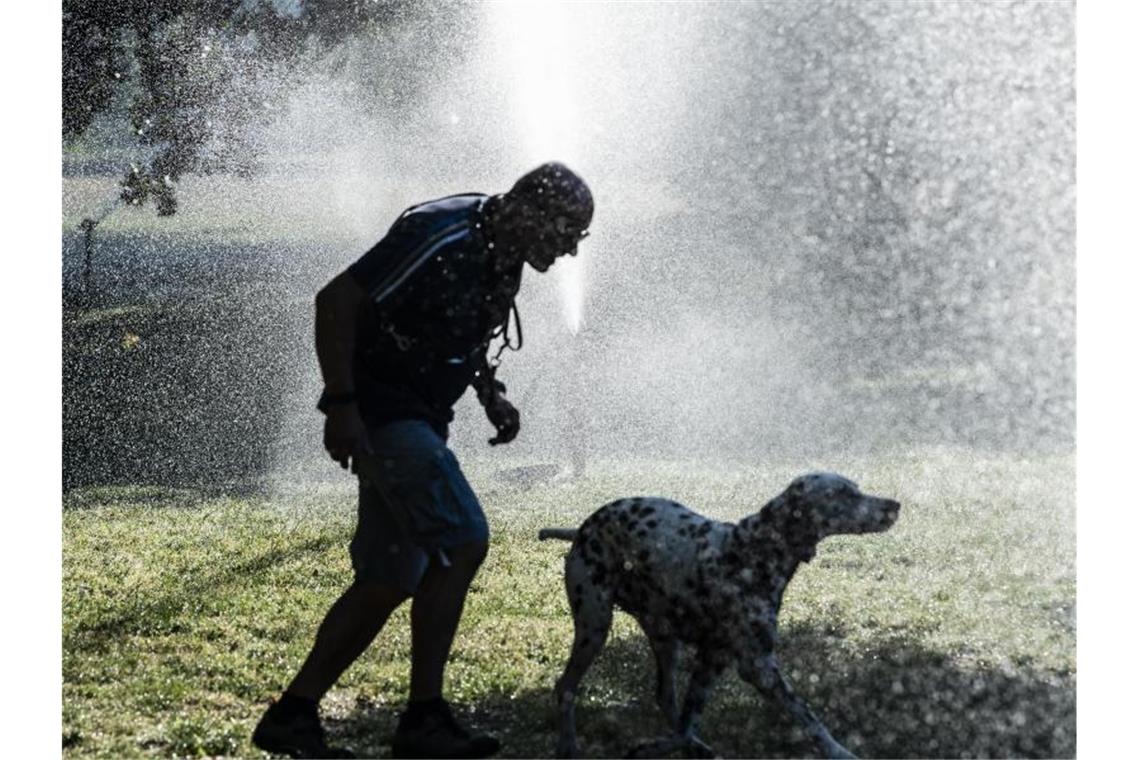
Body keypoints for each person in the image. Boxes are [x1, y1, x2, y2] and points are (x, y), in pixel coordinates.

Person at [252, 162, 593, 759]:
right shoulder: (442, 233)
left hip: (417, 416)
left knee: (388, 578)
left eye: (575, 240)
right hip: (386, 412)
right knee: (463, 541)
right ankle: (424, 720)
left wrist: (490, 394)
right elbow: (335, 300)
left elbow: (455, 327)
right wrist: (341, 407)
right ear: (528, 211)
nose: (567, 251)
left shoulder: (502, 250)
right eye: (565, 233)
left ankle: (294, 714)